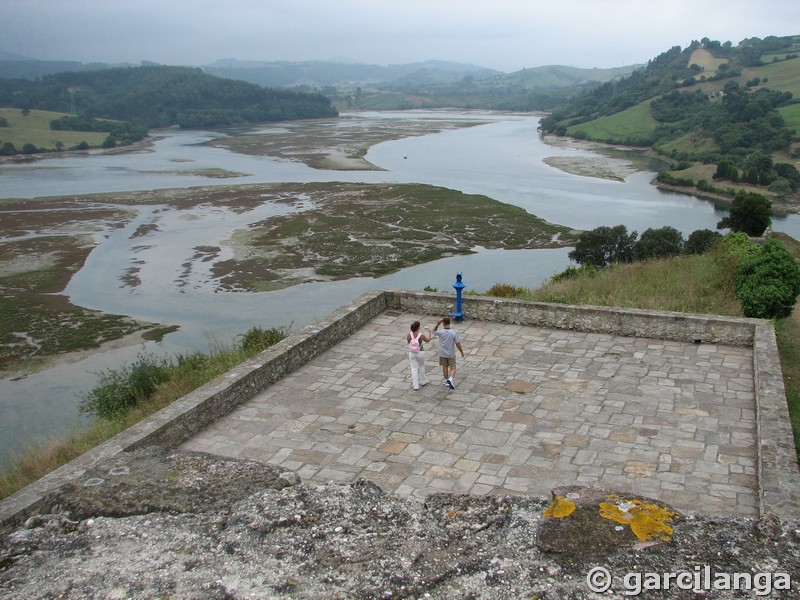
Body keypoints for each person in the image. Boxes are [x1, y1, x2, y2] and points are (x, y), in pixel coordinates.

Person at [432, 316, 464, 389]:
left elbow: (433, 332)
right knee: (453, 367)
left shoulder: (441, 332)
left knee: (445, 367)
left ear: (443, 323)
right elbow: (457, 343)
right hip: (451, 353)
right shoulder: (453, 333)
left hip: (442, 353)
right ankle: (451, 378)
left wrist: (437, 324)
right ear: (449, 323)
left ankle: (446, 380)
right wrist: (461, 351)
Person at [406, 321, 432, 391]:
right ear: (418, 327)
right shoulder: (421, 335)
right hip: (420, 352)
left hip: (412, 353)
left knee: (414, 369)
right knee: (421, 366)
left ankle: (415, 386)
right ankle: (423, 381)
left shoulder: (409, 335)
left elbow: (409, 342)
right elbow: (428, 340)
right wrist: (430, 333)